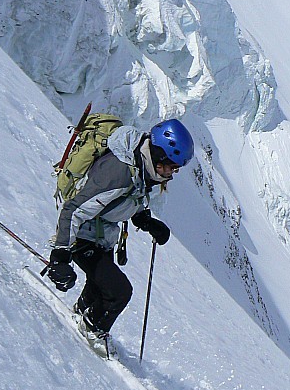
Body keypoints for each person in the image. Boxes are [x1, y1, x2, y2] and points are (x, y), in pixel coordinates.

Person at [46, 118, 194, 344]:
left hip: (101, 234)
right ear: (159, 157)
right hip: (82, 235)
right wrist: (59, 257)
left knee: (99, 287)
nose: (172, 174)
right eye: (172, 167)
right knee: (119, 292)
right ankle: (92, 329)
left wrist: (145, 220)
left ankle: (79, 313)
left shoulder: (140, 165)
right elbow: (73, 209)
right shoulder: (120, 173)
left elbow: (121, 199)